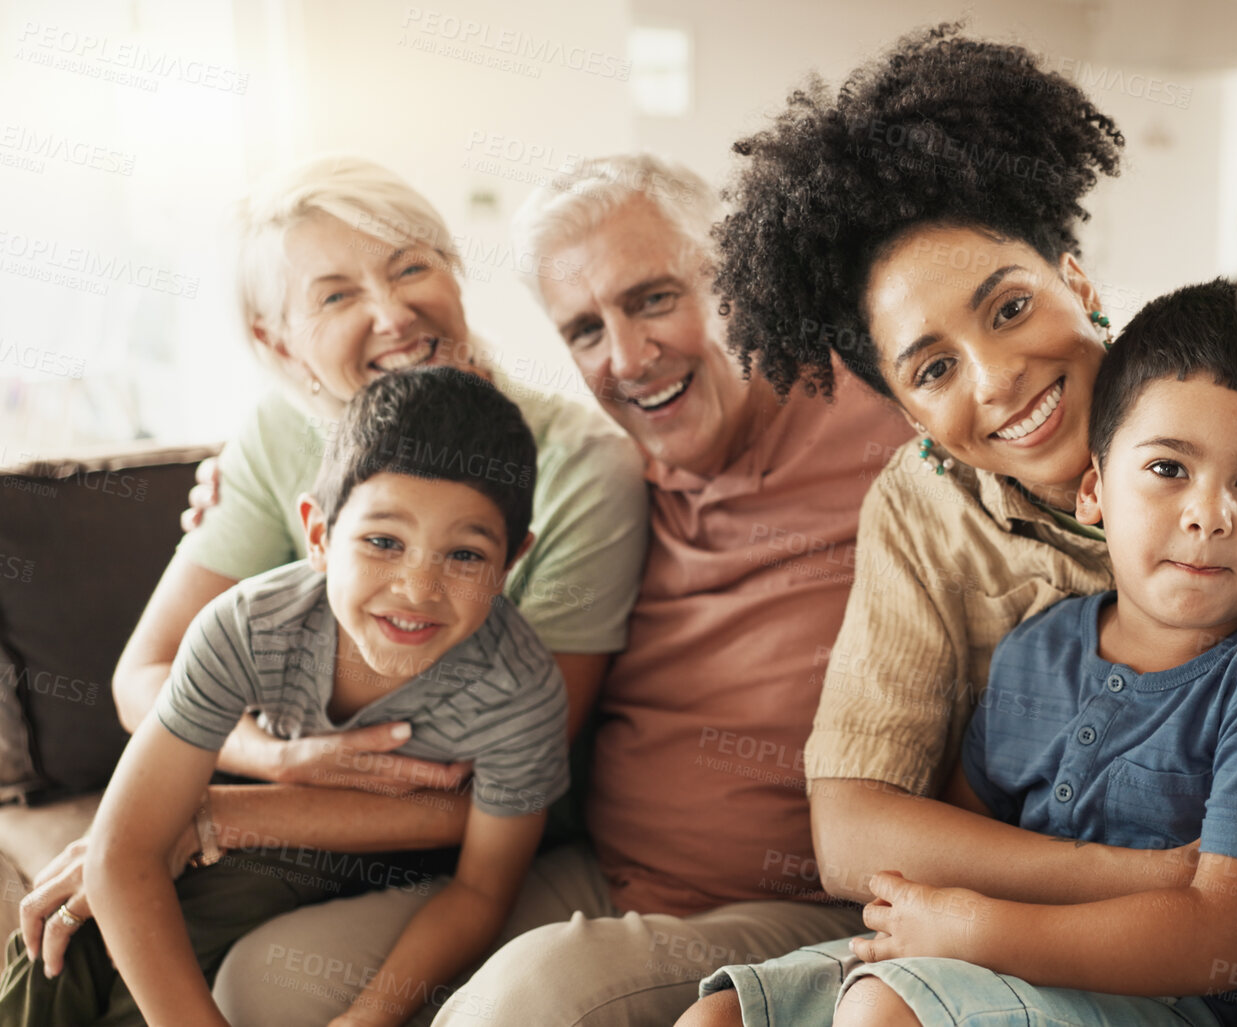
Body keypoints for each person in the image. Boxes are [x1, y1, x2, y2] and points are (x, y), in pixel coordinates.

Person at [703, 24, 1237, 1024]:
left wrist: (991, 922)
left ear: (1078, 279)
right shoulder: (944, 534)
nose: (998, 376)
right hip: (1000, 942)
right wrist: (1131, 879)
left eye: (1010, 308)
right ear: (903, 405)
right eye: (933, 369)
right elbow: (853, 833)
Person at [212, 153, 912, 1027]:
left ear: (739, 276)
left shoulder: (892, 422)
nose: (627, 357)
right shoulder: (617, 469)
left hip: (801, 909)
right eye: (584, 330)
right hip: (603, 876)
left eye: (655, 297)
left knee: (529, 999)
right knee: (265, 979)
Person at [12, 155, 647, 1010]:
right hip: (281, 785)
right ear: (279, 343)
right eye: (336, 294)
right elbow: (145, 677)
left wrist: (213, 819)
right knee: (77, 929)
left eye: (411, 266)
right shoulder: (280, 436)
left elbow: (507, 779)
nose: (393, 312)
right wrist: (275, 760)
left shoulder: (582, 469)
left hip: (464, 824)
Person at [2, 367, 567, 1027]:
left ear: (511, 561)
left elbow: (480, 889)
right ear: (319, 534)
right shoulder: (245, 626)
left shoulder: (520, 686)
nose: (418, 588)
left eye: (465, 555)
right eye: (383, 541)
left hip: (414, 869)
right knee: (65, 934)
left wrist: (367, 1017)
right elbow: (123, 852)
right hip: (277, 840)